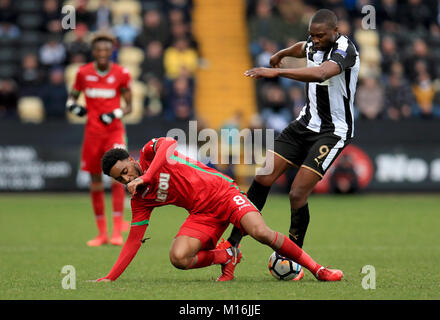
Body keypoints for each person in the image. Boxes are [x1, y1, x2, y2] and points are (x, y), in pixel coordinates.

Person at [223, 9, 360, 281]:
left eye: (321, 36)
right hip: (304, 124)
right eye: (313, 35)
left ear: (335, 31)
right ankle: (232, 245)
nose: (316, 40)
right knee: (262, 176)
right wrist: (281, 53)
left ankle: (293, 254)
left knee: (297, 193)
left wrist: (277, 71)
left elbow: (321, 73)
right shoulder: (313, 42)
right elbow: (302, 48)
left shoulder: (346, 50)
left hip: (332, 132)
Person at [91, 137, 344, 282]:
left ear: (132, 161)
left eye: (125, 172)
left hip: (224, 192)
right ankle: (227, 256)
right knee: (178, 258)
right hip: (202, 214)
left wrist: (146, 177)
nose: (125, 179)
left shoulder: (149, 153)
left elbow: (169, 143)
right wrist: (110, 277)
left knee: (260, 233)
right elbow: (134, 241)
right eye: (119, 179)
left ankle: (319, 270)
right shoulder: (140, 200)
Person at [66, 33, 132, 247]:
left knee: (119, 176)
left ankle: (116, 232)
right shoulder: (83, 73)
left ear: (112, 51)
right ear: (93, 52)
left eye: (106, 50)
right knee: (95, 182)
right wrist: (74, 107)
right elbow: (71, 98)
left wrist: (114, 115)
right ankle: (102, 233)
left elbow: (129, 105)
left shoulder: (121, 73)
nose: (102, 54)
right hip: (93, 133)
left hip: (114, 132)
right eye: (98, 50)